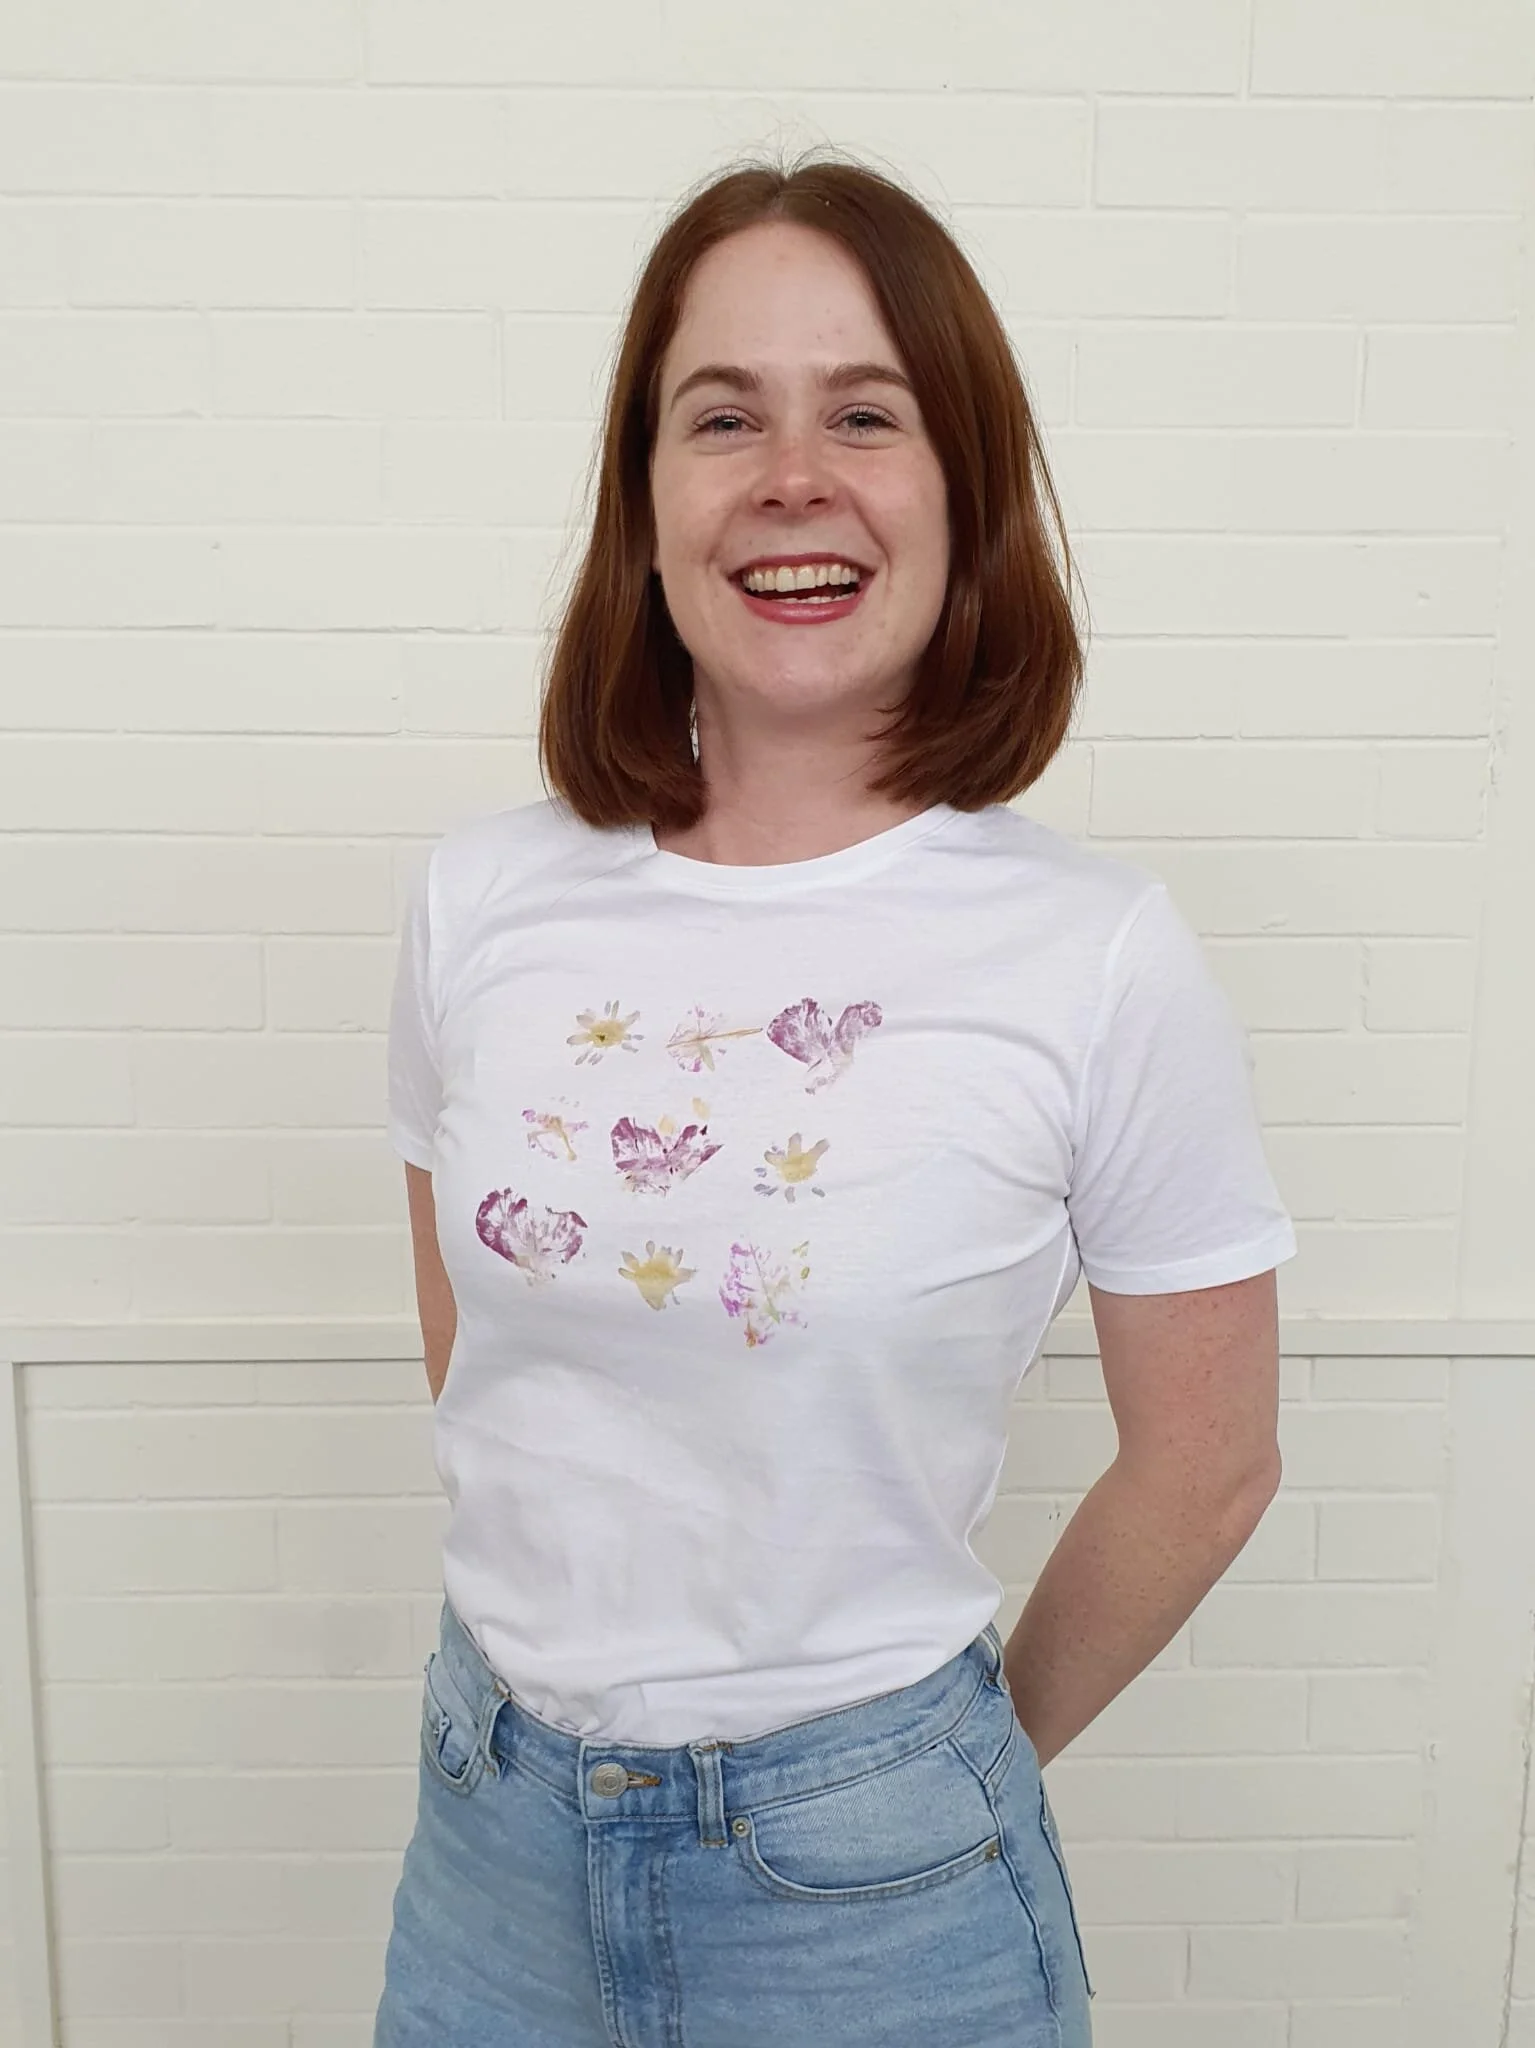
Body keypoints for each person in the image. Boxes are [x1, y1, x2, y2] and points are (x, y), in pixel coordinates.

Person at [373, 150, 1297, 2048]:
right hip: (488, 1842)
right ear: (643, 501)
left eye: (864, 415)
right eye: (724, 417)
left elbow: (1207, 1463)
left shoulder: (1096, 954)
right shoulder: (479, 899)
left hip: (876, 1897)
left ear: (964, 492)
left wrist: (925, 1774)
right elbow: (478, 1343)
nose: (792, 473)